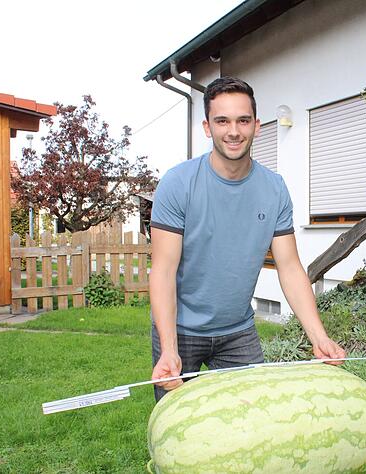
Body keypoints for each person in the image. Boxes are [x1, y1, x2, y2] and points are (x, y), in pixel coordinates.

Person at [148, 76, 346, 400]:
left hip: (237, 331)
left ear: (257, 125)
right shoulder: (177, 184)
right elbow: (164, 271)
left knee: (252, 427)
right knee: (178, 433)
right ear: (207, 127)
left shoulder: (274, 188)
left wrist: (318, 337)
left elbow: (290, 268)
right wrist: (169, 349)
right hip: (180, 331)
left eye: (242, 120)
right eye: (222, 121)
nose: (233, 131)